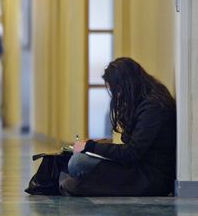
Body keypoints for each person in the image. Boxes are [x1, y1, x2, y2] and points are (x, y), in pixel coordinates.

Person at [59, 57, 176, 196]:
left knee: (78, 162)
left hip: (149, 177)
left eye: (117, 90)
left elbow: (132, 152)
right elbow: (131, 143)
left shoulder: (153, 107)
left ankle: (78, 182)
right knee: (76, 162)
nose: (117, 96)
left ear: (127, 85)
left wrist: (91, 146)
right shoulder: (146, 100)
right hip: (139, 168)